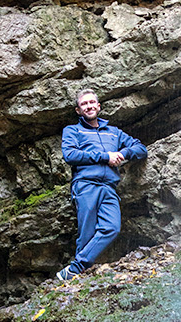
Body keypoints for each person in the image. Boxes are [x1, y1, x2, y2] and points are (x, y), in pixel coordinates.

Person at [56, 89, 147, 282]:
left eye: (91, 103)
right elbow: (70, 155)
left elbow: (141, 148)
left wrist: (123, 154)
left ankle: (74, 269)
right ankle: (76, 277)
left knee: (112, 228)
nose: (88, 106)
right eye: (84, 104)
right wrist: (106, 157)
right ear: (78, 110)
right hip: (86, 185)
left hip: (109, 187)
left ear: (98, 106)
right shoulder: (72, 130)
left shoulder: (114, 132)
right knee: (86, 232)